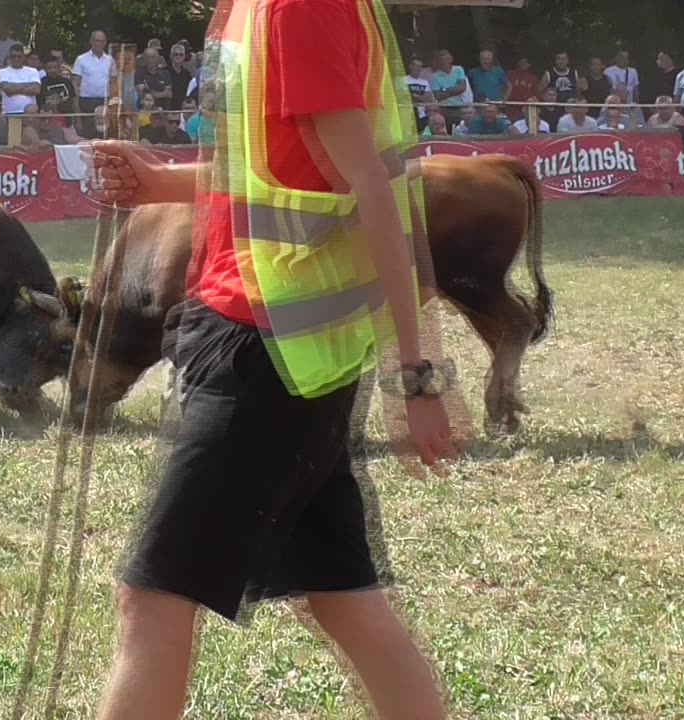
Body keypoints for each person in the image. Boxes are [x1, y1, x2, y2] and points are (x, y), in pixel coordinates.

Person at [85, 0, 457, 719]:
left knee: (152, 595)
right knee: (344, 601)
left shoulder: (296, 6)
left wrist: (416, 375)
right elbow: (272, 168)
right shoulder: (253, 7)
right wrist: (160, 180)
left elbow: (373, 192)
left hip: (266, 354)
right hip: (284, 354)